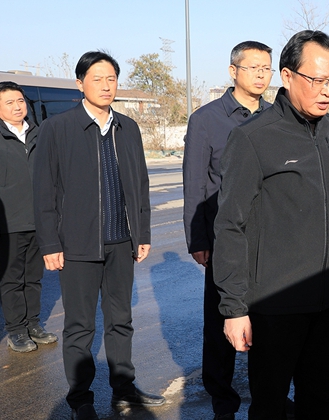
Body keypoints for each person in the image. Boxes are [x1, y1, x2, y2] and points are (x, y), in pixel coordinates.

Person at [213, 30, 329, 419]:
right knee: (270, 405)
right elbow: (229, 225)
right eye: (318, 80)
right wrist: (234, 308)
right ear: (288, 76)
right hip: (275, 305)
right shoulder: (253, 138)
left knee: (319, 400)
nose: (327, 91)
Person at [34, 51, 165, 420]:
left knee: (121, 321)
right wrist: (50, 243)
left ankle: (124, 390)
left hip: (121, 243)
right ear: (80, 84)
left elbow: (139, 185)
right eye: (97, 78)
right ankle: (81, 400)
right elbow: (44, 190)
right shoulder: (58, 128)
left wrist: (142, 232)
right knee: (80, 326)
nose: (106, 86)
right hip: (77, 246)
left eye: (112, 78)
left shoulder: (128, 127)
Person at [182, 40, 273, 420]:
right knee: (222, 322)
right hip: (225, 237)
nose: (261, 75)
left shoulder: (276, 116)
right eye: (254, 67)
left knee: (268, 322)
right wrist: (198, 239)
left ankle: (268, 395)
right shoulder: (206, 119)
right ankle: (223, 401)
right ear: (233, 71)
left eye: (266, 68)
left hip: (269, 240)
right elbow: (195, 183)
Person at [0, 81, 58, 353]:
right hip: (8, 224)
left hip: (39, 220)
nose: (17, 106)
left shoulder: (40, 133)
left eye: (20, 101)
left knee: (34, 278)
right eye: (9, 102)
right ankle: (16, 330)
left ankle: (33, 324)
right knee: (11, 280)